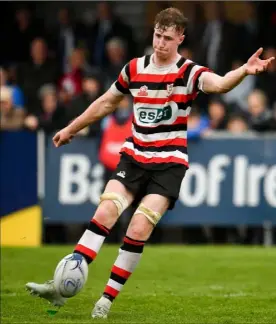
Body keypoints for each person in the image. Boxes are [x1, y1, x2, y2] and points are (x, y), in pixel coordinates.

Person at [25, 7, 274, 319]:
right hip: (135, 155)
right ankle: (62, 285)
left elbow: (220, 84)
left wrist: (244, 71)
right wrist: (70, 129)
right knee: (105, 210)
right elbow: (106, 102)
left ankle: (105, 301)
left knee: (140, 226)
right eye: (157, 35)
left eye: (168, 38)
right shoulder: (134, 68)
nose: (160, 43)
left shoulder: (188, 72)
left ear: (180, 38)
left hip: (169, 163)